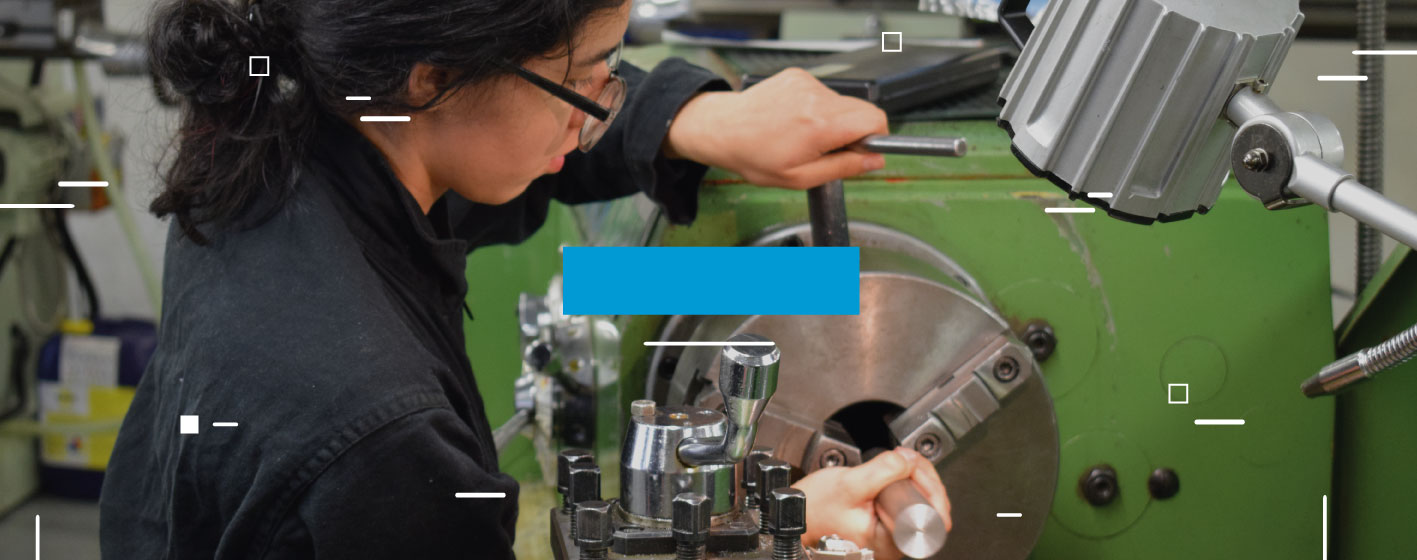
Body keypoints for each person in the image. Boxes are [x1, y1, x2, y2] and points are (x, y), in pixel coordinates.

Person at [98, 0, 951, 558]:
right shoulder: (379, 430)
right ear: (432, 77)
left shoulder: (285, 140)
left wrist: (700, 120)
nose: (596, 113)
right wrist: (781, 534)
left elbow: (535, 141)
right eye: (584, 79)